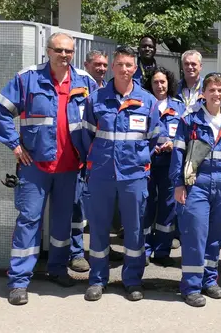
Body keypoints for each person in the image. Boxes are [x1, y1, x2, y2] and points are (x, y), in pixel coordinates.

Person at [0, 32, 98, 306]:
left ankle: (58, 270)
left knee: (62, 223)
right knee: (29, 221)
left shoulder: (85, 82)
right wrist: (15, 145)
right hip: (35, 166)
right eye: (59, 50)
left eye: (69, 51)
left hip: (70, 167)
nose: (65, 55)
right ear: (48, 51)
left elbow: (99, 119)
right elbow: (1, 110)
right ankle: (18, 282)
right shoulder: (27, 79)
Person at [78, 46, 161, 302]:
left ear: (135, 69)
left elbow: (153, 138)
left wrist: (138, 161)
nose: (124, 69)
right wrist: (94, 163)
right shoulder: (96, 99)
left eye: (129, 65)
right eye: (120, 64)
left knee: (135, 231)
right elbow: (85, 137)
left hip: (134, 176)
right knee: (99, 229)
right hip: (102, 174)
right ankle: (97, 280)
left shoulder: (148, 101)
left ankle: (133, 280)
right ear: (113, 67)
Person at [169, 73, 221, 307]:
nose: (217, 94)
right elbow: (178, 154)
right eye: (212, 90)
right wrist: (178, 184)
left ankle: (209, 280)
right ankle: (191, 286)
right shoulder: (190, 120)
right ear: (203, 92)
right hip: (197, 180)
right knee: (195, 232)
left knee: (217, 234)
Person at [68, 50, 110, 274]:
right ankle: (76, 253)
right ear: (86, 64)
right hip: (78, 157)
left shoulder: (108, 90)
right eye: (97, 64)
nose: (101, 68)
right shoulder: (79, 86)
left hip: (100, 160)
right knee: (77, 206)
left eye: (104, 65)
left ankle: (99, 249)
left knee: (98, 208)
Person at [143, 66, 186, 266]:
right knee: (146, 205)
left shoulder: (179, 107)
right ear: (149, 85)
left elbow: (185, 136)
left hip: (170, 164)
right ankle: (143, 249)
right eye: (155, 82)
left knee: (168, 207)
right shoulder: (143, 104)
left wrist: (173, 144)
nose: (159, 86)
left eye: (163, 82)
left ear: (169, 83)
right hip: (147, 164)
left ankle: (162, 250)